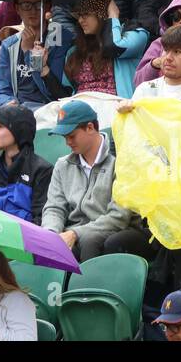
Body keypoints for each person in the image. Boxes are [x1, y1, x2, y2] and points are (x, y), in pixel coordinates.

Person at [38, 99, 132, 260]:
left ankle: (88, 285)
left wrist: (75, 233)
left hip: (115, 230)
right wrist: (51, 234)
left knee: (89, 240)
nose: (68, 142)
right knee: (47, 242)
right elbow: (54, 208)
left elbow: (119, 216)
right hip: (74, 231)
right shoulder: (62, 165)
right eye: (64, 137)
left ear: (90, 127)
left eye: (72, 136)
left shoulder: (120, 160)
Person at [0, 101, 53, 221]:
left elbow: (41, 218)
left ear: (18, 129)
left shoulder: (42, 171)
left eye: (0, 126)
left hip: (24, 237)